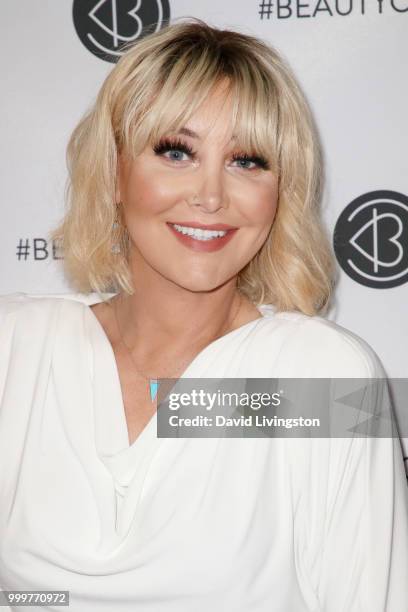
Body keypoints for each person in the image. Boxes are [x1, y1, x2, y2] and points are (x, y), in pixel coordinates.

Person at [0, 18, 407, 612]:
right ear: (115, 171)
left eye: (247, 161)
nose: (211, 195)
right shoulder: (16, 347)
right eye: (176, 151)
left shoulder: (322, 378)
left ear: (280, 191)